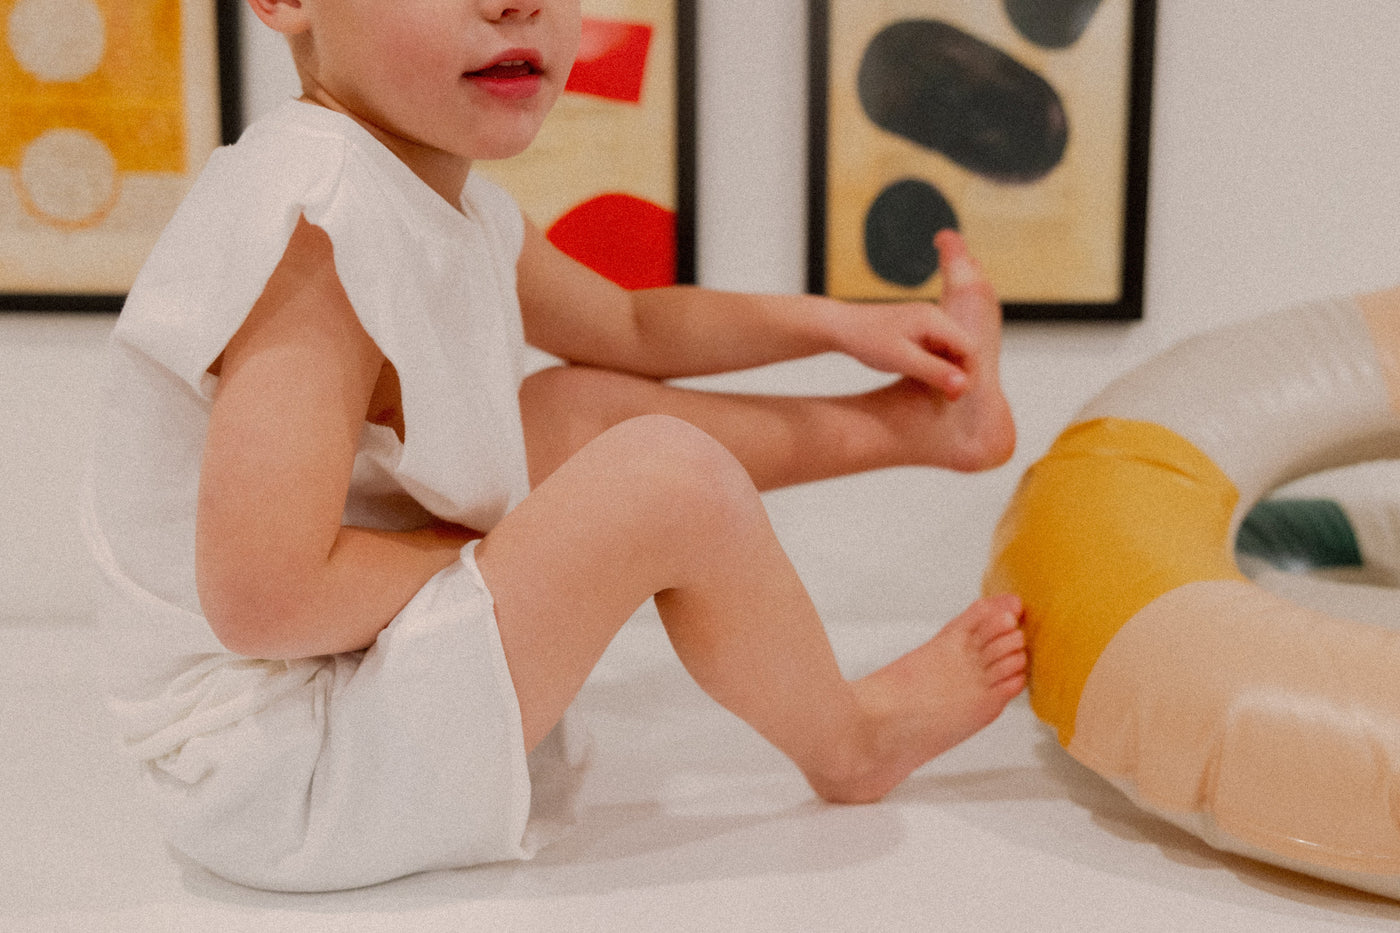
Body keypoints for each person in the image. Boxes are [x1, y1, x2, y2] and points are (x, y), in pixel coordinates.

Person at [83, 0, 1026, 892]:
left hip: (334, 693)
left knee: (571, 413)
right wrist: (529, 548)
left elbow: (631, 325)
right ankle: (854, 741)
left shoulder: (438, 198)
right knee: (667, 479)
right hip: (284, 773)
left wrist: (838, 324)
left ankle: (925, 425)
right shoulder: (320, 224)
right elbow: (266, 600)